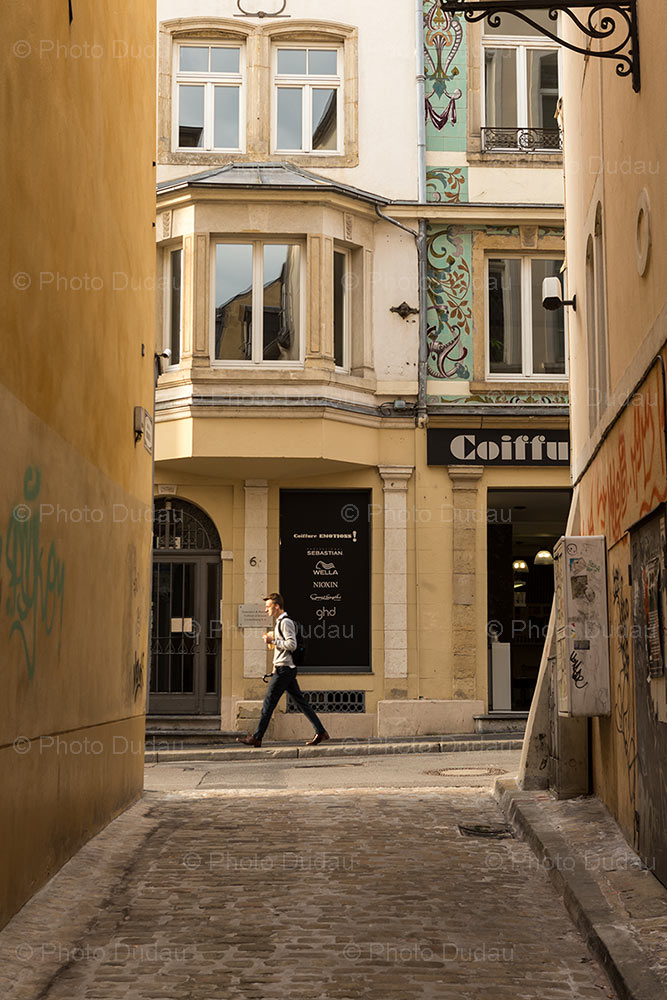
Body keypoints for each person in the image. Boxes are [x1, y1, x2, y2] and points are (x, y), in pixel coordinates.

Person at [237, 593, 330, 748]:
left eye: (268, 607)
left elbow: (291, 645)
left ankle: (257, 737)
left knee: (269, 702)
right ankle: (321, 732)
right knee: (300, 702)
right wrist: (274, 666)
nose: (267, 610)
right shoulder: (280, 622)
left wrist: (272, 640)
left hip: (285, 670)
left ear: (277, 606)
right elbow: (283, 650)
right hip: (284, 669)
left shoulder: (285, 622)